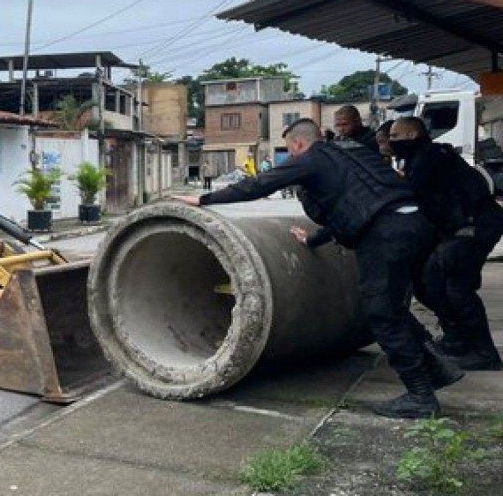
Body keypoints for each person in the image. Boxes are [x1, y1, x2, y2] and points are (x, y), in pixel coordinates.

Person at [174, 118, 452, 419]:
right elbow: (355, 206)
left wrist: (204, 198)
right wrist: (315, 238)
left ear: (298, 144)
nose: (292, 158)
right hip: (417, 224)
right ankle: (437, 367)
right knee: (392, 306)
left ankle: (421, 395)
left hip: (385, 233)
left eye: (291, 152)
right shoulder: (354, 153)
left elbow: (259, 184)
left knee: (381, 313)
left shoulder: (310, 158)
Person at [390, 116, 503, 371]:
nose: (391, 141)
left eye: (395, 136)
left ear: (411, 135)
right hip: (462, 226)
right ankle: (456, 340)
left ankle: (484, 352)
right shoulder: (423, 157)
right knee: (430, 280)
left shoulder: (428, 156)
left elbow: (409, 193)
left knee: (458, 288)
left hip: (474, 225)